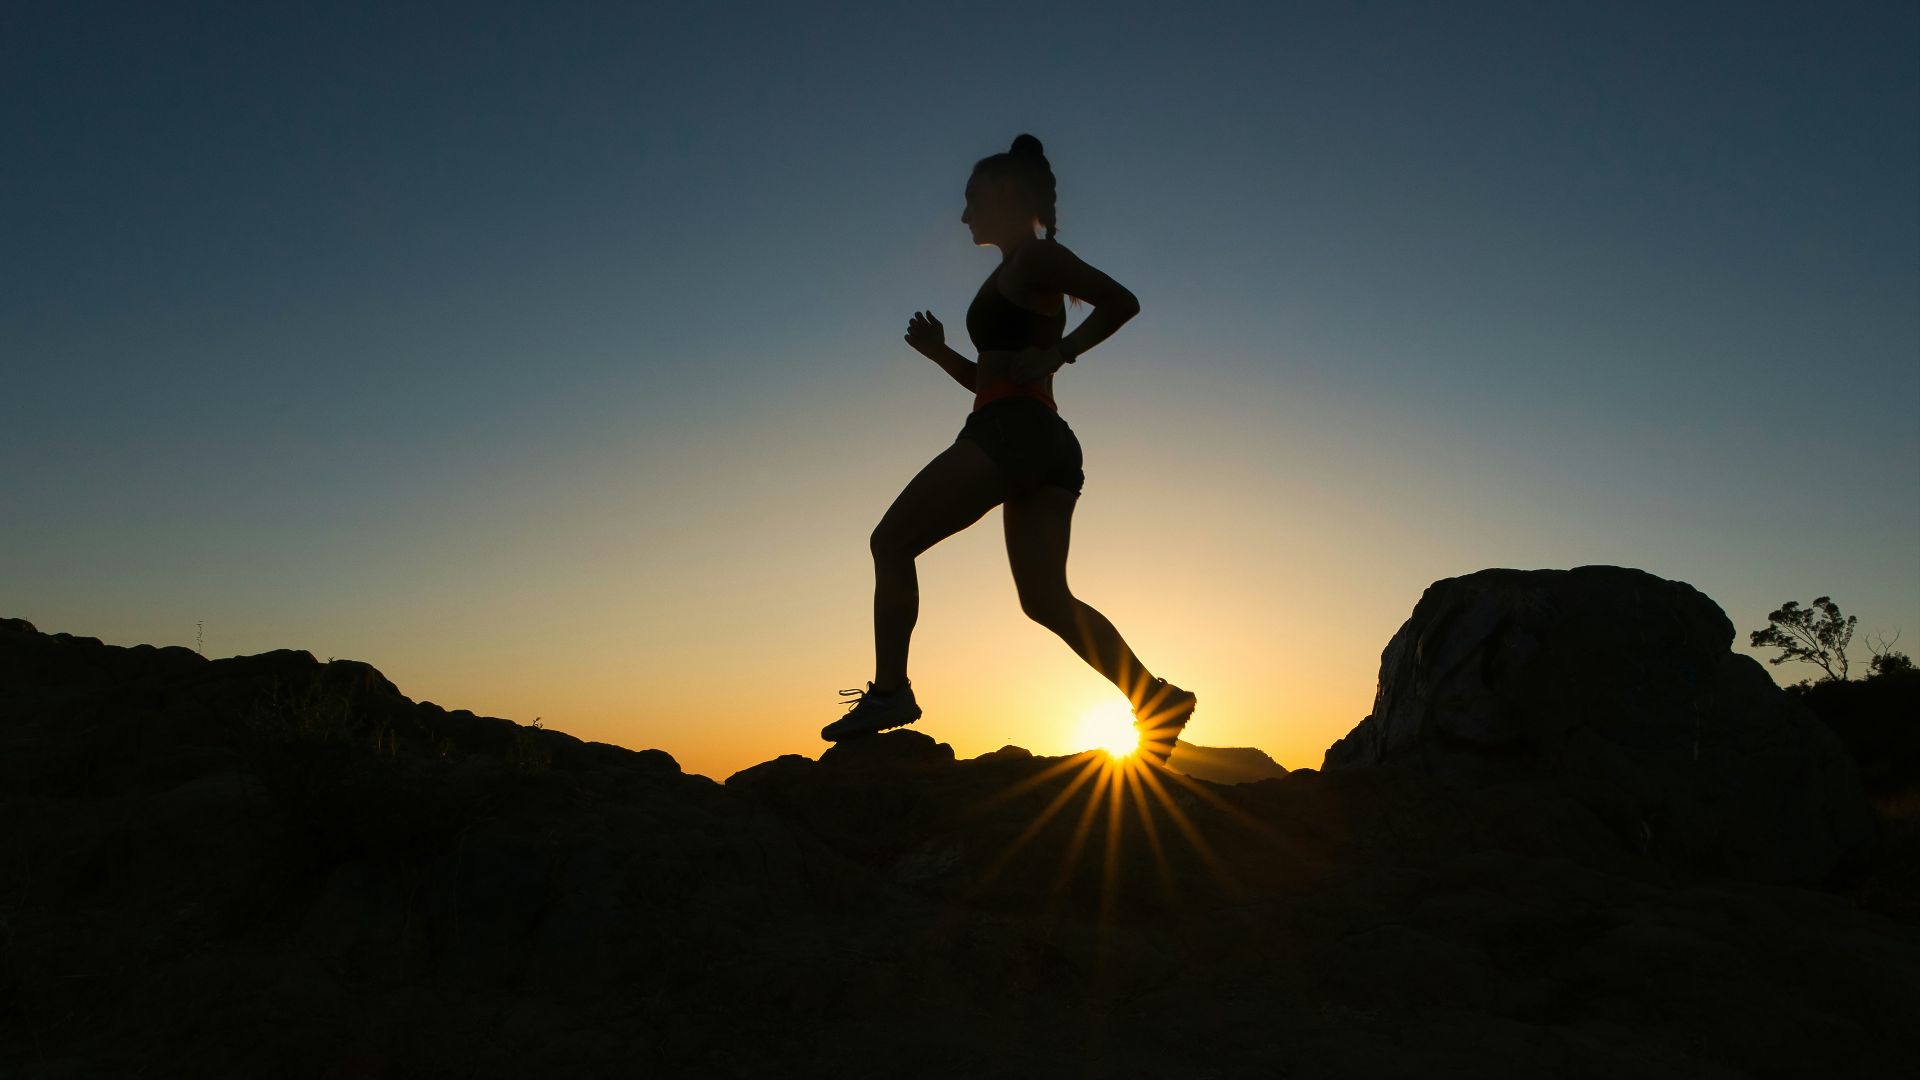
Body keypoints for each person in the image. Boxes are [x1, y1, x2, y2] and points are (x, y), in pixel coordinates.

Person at [821, 133, 1198, 767]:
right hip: (1041, 438)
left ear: (1002, 193)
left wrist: (1061, 351)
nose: (964, 214)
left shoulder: (1032, 260)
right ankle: (1155, 698)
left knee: (891, 542)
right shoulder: (1014, 270)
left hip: (1012, 432)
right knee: (1045, 599)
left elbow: (1122, 302)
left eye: (971, 199)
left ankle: (890, 693)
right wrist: (941, 353)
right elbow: (992, 378)